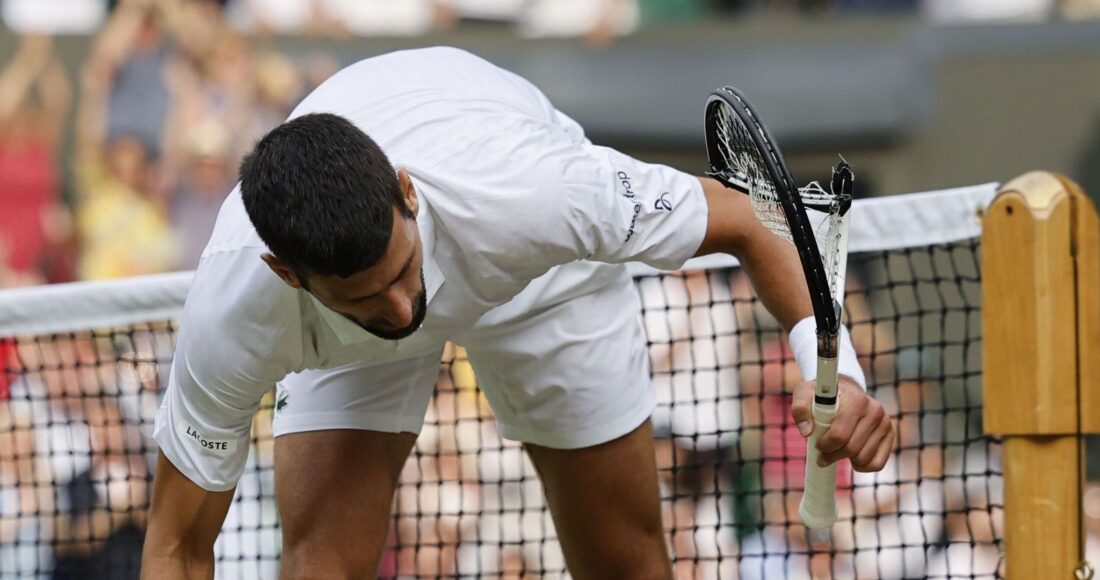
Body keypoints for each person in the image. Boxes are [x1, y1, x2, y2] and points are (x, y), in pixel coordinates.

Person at [140, 47, 894, 579]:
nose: (403, 310)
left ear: (408, 191)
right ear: (287, 274)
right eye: (368, 296)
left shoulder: (539, 191)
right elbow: (176, 549)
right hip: (343, 348)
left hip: (540, 278)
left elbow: (749, 218)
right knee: (323, 563)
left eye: (403, 273)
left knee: (625, 563)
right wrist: (378, 301)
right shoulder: (233, 310)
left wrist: (841, 375)